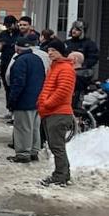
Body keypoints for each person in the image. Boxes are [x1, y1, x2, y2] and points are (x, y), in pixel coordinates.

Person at [38, 40, 76, 187]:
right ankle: (63, 174)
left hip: (58, 113)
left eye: (53, 50)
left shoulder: (65, 68)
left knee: (57, 147)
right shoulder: (55, 67)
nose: (50, 53)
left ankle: (60, 176)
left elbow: (62, 91)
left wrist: (47, 103)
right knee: (56, 146)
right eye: (49, 50)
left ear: (60, 51)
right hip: (51, 112)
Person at [7, 31, 45, 164]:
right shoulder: (37, 59)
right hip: (37, 99)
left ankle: (23, 153)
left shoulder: (20, 61)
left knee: (23, 127)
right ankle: (34, 151)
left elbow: (18, 83)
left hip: (24, 100)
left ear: (17, 48)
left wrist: (12, 101)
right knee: (34, 127)